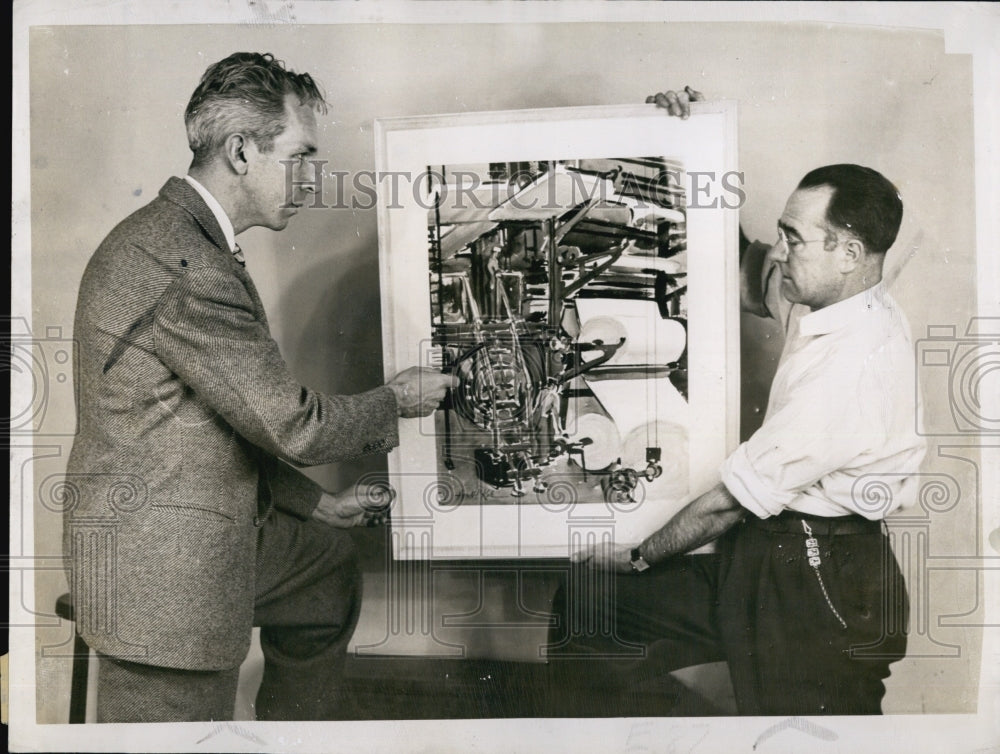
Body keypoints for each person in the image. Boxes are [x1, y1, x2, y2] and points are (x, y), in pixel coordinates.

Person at [64, 52, 455, 722]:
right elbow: (293, 426)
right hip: (159, 572)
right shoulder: (188, 264)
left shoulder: (181, 238)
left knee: (324, 572)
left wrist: (316, 507)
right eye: (300, 155)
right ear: (242, 152)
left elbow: (212, 423)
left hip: (167, 518)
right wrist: (398, 400)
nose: (314, 176)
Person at [549, 90, 926, 715]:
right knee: (589, 607)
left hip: (819, 573)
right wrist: (683, 147)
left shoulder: (850, 368)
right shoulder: (832, 299)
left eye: (795, 239)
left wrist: (637, 558)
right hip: (779, 549)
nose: (779, 252)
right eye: (783, 233)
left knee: (809, 729)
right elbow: (746, 268)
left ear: (850, 254)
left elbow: (727, 504)